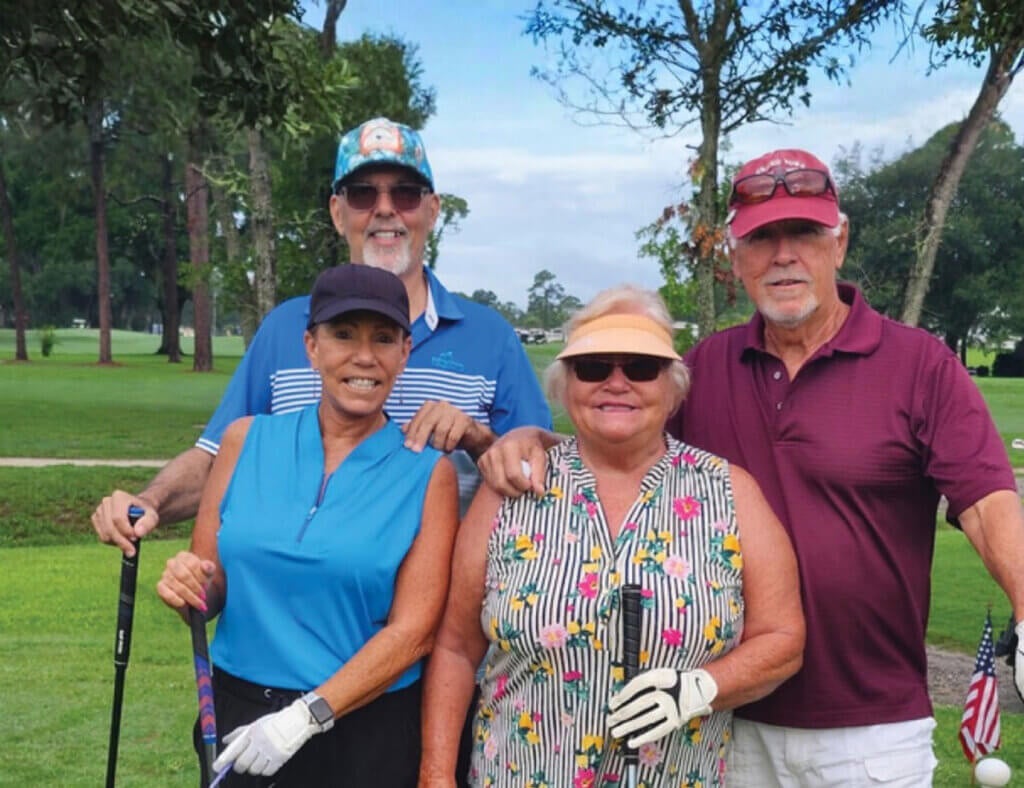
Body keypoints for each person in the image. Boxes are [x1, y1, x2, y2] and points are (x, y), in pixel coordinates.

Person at [478, 149, 1024, 785]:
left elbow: (986, 503)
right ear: (735, 259)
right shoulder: (702, 369)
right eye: (762, 238)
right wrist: (532, 440)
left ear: (839, 243)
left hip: (869, 728)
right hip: (724, 718)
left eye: (804, 234)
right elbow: (616, 439)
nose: (784, 254)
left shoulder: (919, 364)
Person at [92, 116, 551, 553]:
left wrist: (476, 438)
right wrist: (150, 501)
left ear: (432, 211)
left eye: (406, 194)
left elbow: (541, 477)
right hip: (297, 611)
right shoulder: (285, 330)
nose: (385, 209)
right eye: (363, 194)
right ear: (337, 211)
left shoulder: (491, 338)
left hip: (444, 623)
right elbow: (216, 460)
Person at [418, 286, 804, 787]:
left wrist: (703, 687)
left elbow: (783, 639)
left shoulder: (730, 493)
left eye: (641, 367)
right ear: (563, 386)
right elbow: (455, 646)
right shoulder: (511, 491)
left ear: (673, 389)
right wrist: (436, 776)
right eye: (594, 366)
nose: (616, 383)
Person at [156, 264, 459, 786]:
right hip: (240, 715)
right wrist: (188, 587)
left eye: (383, 339)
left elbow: (412, 634)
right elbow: (211, 593)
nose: (364, 356)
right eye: (343, 335)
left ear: (404, 354)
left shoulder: (428, 472)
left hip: (361, 727)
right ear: (311, 346)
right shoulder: (244, 441)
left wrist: (307, 716)